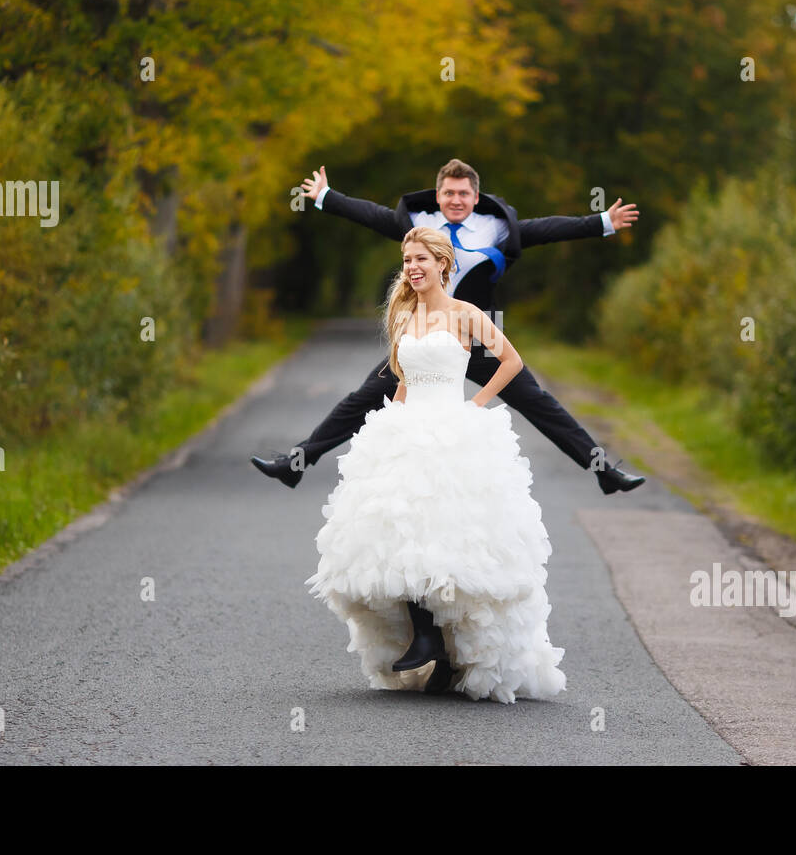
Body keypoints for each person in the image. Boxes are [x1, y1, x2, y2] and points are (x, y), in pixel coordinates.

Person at [252, 158, 646, 496]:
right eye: (449, 193)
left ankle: (604, 472)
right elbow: (369, 214)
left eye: (464, 194)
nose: (456, 200)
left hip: (478, 337)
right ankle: (296, 463)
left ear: (476, 197)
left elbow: (549, 228)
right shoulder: (420, 227)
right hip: (426, 341)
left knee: (539, 402)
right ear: (437, 195)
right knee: (361, 399)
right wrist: (325, 196)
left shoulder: (495, 228)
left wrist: (602, 222)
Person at [305, 226, 566, 703]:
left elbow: (511, 362)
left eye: (421, 259)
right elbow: (403, 381)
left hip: (453, 429)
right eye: (407, 260)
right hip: (409, 429)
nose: (412, 267)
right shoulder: (404, 316)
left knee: (448, 540)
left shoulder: (465, 315)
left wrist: (477, 404)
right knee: (400, 534)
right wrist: (392, 423)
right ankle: (425, 640)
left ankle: (445, 648)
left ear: (443, 264)